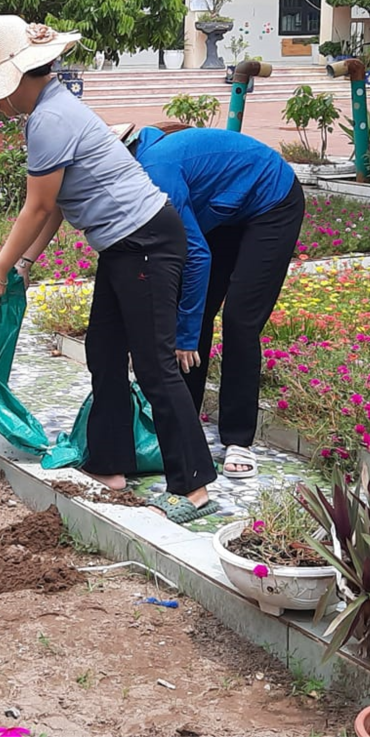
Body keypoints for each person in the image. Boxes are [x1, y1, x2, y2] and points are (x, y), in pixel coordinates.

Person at [0, 15, 217, 525]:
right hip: (125, 246)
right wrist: (23, 264)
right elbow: (55, 205)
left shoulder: (50, 119)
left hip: (145, 241)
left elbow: (35, 207)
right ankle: (110, 464)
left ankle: (193, 487)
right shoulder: (52, 111)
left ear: (14, 78)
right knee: (103, 352)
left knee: (155, 365)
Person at [99, 124, 305, 480]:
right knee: (196, 304)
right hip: (226, 207)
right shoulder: (138, 174)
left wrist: (184, 337)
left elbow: (197, 256)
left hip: (272, 200)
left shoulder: (156, 172)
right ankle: (185, 419)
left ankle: (238, 439)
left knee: (240, 319)